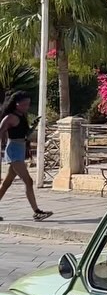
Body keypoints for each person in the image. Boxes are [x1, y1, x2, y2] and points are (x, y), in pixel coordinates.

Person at [0, 93, 52, 222]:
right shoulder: (10, 117)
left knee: (6, 183)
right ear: (16, 104)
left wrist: (33, 126)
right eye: (24, 104)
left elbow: (24, 134)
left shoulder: (22, 116)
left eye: (28, 104)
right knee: (28, 181)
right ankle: (37, 212)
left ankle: (37, 212)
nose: (26, 107)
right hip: (14, 151)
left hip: (20, 148)